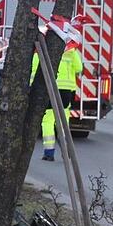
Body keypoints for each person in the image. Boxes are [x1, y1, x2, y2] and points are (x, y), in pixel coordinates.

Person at [32, 31, 83, 162]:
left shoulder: (42, 52)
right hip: (66, 92)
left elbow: (34, 70)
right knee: (63, 122)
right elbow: (79, 68)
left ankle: (49, 153)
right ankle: (67, 152)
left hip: (49, 90)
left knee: (48, 121)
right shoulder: (71, 52)